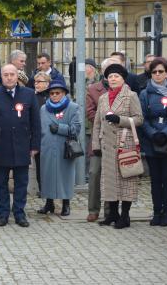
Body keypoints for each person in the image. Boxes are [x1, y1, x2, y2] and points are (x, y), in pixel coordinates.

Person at [0, 64, 41, 227]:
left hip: (22, 145)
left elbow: (35, 122)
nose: (9, 77)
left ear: (17, 76)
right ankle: (3, 214)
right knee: (0, 183)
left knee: (21, 183)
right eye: (6, 75)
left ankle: (19, 213)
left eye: (12, 74)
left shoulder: (29, 94)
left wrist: (35, 145)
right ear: (1, 77)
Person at [92, 63, 143, 229]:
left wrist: (120, 119)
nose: (113, 79)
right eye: (110, 76)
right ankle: (112, 214)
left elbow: (139, 119)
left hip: (124, 143)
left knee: (126, 181)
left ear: (123, 79)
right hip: (107, 144)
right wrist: (95, 144)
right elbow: (97, 123)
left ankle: (125, 216)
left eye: (116, 76)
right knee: (109, 182)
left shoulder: (131, 96)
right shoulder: (103, 98)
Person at [139, 58, 167, 227]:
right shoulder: (145, 93)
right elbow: (142, 117)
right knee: (155, 179)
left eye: (160, 71)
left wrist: (165, 133)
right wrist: (152, 133)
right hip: (151, 141)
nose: (157, 75)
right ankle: (157, 211)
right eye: (154, 72)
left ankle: (166, 212)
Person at [37, 79, 81, 216]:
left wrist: (60, 128)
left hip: (65, 148)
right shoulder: (44, 109)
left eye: (57, 93)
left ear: (64, 93)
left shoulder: (73, 107)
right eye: (51, 93)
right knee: (47, 175)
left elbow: (76, 128)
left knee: (65, 176)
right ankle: (49, 203)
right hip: (47, 147)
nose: (54, 95)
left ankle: (66, 204)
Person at [85, 58, 121, 222]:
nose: (111, 76)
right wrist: (106, 119)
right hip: (99, 138)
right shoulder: (93, 89)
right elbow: (90, 112)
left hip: (118, 138)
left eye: (115, 72)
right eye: (109, 72)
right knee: (94, 173)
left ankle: (110, 211)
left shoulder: (124, 91)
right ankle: (93, 209)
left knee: (112, 175)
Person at [33, 72, 51, 196]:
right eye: (35, 81)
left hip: (51, 136)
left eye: (39, 81)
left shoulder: (52, 96)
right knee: (39, 165)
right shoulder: (32, 96)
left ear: (47, 83)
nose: (36, 84)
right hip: (38, 136)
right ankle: (42, 188)